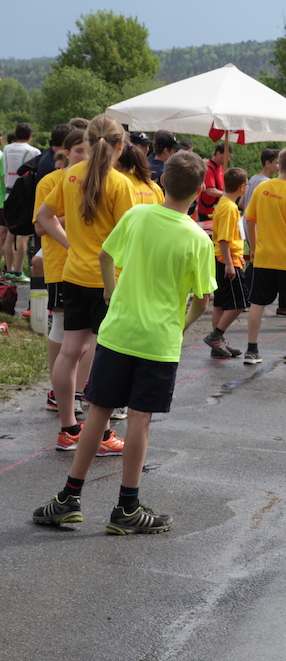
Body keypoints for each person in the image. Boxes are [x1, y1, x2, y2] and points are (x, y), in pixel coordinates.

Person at [31, 151, 216, 535]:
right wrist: (181, 326)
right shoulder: (199, 239)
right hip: (159, 340)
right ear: (199, 191)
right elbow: (203, 299)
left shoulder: (137, 216)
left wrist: (110, 292)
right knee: (139, 420)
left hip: (118, 331)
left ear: (162, 182)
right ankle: (127, 506)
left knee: (97, 412)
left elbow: (105, 255)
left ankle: (69, 498)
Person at [36, 115, 132, 455]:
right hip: (108, 280)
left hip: (74, 274)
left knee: (70, 350)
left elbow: (43, 217)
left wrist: (71, 245)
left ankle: (69, 429)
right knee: (104, 355)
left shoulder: (70, 175)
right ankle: (101, 434)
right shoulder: (119, 183)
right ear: (120, 146)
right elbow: (129, 236)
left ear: (87, 142)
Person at [35, 129, 90, 415]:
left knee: (86, 334)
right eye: (78, 150)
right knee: (61, 326)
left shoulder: (94, 181)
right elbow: (40, 226)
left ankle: (77, 390)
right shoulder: (50, 181)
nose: (84, 156)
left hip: (89, 267)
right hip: (60, 263)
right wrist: (77, 215)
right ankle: (58, 392)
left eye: (88, 150)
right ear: (66, 153)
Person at [243, 145, 286, 366]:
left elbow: (249, 220)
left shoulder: (262, 188)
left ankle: (252, 350)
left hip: (264, 257)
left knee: (257, 303)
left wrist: (253, 247)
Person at [203, 167, 249, 358]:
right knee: (240, 302)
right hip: (227, 259)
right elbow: (223, 238)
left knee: (220, 304)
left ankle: (218, 343)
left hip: (222, 257)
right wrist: (230, 263)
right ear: (242, 187)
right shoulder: (230, 207)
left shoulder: (223, 202)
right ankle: (216, 335)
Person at [2, 123, 41, 283]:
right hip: (24, 196)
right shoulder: (34, 152)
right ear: (30, 136)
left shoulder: (6, 149)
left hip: (8, 193)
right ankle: (18, 271)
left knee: (10, 233)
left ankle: (9, 269)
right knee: (23, 235)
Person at [196, 143, 226, 223]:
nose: (228, 159)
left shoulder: (220, 167)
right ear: (218, 154)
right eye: (227, 156)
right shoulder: (208, 168)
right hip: (206, 212)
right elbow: (210, 191)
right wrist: (227, 194)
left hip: (216, 210)